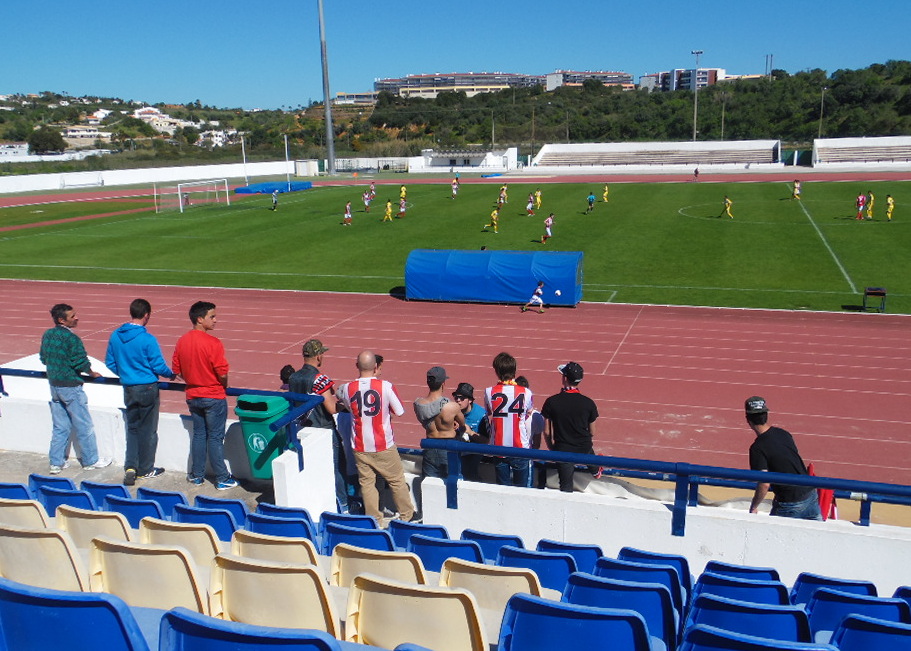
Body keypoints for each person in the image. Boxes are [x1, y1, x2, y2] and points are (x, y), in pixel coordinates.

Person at [336, 350, 417, 523]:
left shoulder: (348, 388)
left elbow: (350, 408)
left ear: (357, 366)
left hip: (360, 445)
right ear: (375, 366)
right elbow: (399, 411)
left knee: (367, 484)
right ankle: (407, 515)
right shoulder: (386, 386)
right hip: (383, 444)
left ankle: (374, 520)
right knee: (396, 481)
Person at [105, 298, 174, 486]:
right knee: (149, 430)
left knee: (133, 428)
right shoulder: (147, 339)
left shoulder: (116, 335)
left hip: (128, 388)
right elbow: (158, 365)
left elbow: (110, 362)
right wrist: (171, 375)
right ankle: (145, 468)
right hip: (147, 387)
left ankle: (130, 466)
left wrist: (126, 373)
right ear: (146, 315)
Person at [39, 304, 111, 474]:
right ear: (61, 320)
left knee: (60, 426)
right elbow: (80, 362)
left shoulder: (48, 334)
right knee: (84, 425)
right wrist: (91, 373)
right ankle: (90, 460)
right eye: (72, 316)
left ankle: (56, 462)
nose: (77, 318)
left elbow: (43, 358)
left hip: (54, 386)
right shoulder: (72, 339)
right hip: (70, 387)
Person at [171, 301, 236, 490]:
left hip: (193, 396)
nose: (216, 320)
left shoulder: (182, 341)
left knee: (199, 435)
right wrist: (222, 384)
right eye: (212, 316)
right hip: (213, 395)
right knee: (215, 438)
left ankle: (197, 475)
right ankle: (222, 478)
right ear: (200, 319)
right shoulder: (213, 343)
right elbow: (222, 372)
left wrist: (193, 379)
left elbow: (176, 369)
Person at [288, 339, 354, 512]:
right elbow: (331, 408)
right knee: (337, 468)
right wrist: (345, 404)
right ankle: (343, 504)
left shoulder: (293, 378)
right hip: (324, 429)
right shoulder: (320, 379)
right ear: (318, 356)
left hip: (303, 429)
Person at [744, 396, 821, 520]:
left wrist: (754, 506)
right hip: (810, 494)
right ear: (766, 415)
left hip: (789, 503)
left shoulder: (757, 448)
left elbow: (764, 483)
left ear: (748, 419)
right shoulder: (783, 434)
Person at [541, 362, 600, 493]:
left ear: (565, 378)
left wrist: (552, 448)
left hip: (563, 449)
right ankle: (595, 471)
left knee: (566, 486)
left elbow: (547, 431)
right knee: (591, 458)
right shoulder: (588, 403)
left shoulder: (552, 402)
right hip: (584, 447)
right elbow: (592, 432)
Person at [484, 352, 534, 487]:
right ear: (514, 370)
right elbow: (529, 411)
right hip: (520, 447)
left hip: (499, 447)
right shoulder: (526, 392)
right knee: (521, 489)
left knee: (502, 489)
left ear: (497, 371)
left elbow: (489, 412)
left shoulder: (489, 391)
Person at [413, 366, 464, 478]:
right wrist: (452, 422)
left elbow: (425, 422)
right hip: (448, 447)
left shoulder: (418, 404)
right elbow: (462, 424)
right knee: (453, 482)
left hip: (430, 446)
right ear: (443, 383)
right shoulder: (451, 406)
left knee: (429, 484)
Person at [452, 382, 487, 481]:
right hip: (457, 448)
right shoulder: (451, 411)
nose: (458, 400)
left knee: (469, 472)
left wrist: (470, 432)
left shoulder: (481, 415)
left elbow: (487, 441)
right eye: (456, 397)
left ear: (470, 400)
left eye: (462, 398)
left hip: (474, 450)